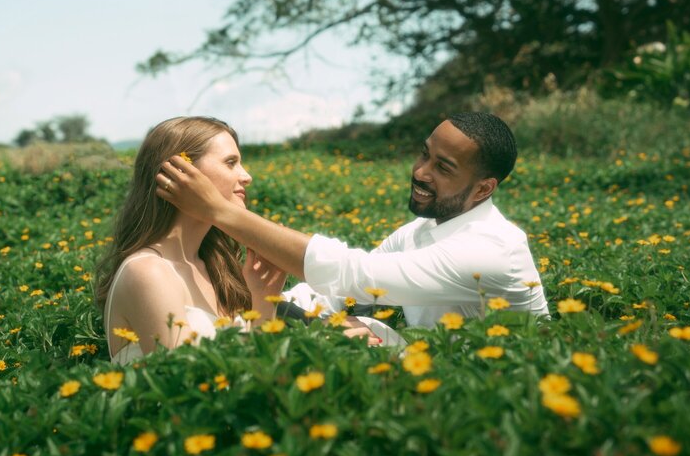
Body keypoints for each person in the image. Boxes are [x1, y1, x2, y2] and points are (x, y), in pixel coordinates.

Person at [156, 112, 549, 329]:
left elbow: (353, 274)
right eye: (424, 155)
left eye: (443, 167)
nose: (421, 172)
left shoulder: (488, 250)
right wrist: (254, 308)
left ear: (483, 189)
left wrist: (220, 211)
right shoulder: (421, 231)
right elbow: (342, 295)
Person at [95, 116, 288, 364]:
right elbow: (187, 385)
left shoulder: (216, 265)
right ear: (181, 172)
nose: (246, 176)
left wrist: (262, 298)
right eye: (231, 163)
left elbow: (255, 370)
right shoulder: (148, 271)